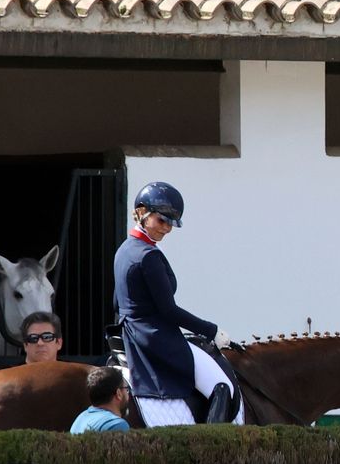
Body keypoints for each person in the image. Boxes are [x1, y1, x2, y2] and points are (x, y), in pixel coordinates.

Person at [113, 181, 242, 426]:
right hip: (155, 337)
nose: (167, 229)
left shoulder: (124, 250)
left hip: (131, 333)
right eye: (162, 221)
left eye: (171, 223)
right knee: (222, 386)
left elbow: (117, 302)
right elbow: (168, 310)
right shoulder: (147, 256)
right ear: (141, 212)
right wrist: (211, 330)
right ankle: (211, 448)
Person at [70, 366, 132, 433]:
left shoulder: (81, 418)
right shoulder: (117, 425)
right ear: (118, 394)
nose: (127, 392)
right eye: (126, 389)